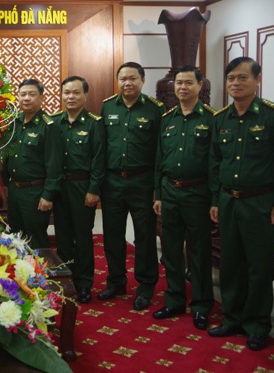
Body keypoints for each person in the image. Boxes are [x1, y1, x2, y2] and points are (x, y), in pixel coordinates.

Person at [208, 57, 274, 351]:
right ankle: (231, 317)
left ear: (257, 79)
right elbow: (215, 161)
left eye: (242, 78)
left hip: (261, 202)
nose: (235, 83)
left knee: (258, 266)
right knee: (231, 263)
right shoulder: (221, 118)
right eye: (231, 78)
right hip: (229, 201)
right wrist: (215, 199)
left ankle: (257, 324)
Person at [152, 66, 215, 329]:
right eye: (179, 83)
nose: (182, 88)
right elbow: (159, 159)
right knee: (171, 250)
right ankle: (175, 299)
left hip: (198, 193)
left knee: (199, 251)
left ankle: (201, 305)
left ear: (200, 86)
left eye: (189, 83)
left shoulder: (212, 118)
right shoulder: (168, 118)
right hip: (170, 192)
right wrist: (158, 193)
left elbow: (215, 162)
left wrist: (214, 200)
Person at [99, 62, 165, 310]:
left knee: (144, 236)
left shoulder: (155, 109)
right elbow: (102, 147)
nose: (127, 83)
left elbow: (161, 151)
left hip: (142, 181)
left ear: (142, 80)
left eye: (133, 78)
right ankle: (116, 282)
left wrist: (157, 189)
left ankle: (146, 286)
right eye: (123, 78)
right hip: (113, 181)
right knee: (113, 236)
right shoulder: (107, 107)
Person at [52, 76, 105, 304]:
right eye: (66, 93)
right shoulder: (53, 122)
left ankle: (84, 283)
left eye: (75, 93)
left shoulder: (94, 123)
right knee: (62, 236)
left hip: (82, 187)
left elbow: (98, 160)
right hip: (59, 187)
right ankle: (65, 280)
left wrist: (94, 190)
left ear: (85, 95)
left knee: (83, 237)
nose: (70, 97)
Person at [1, 79, 62, 249]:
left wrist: (48, 195)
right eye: (23, 94)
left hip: (36, 193)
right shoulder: (14, 123)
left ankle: (42, 275)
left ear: (41, 98)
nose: (26, 98)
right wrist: (6, 184)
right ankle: (20, 275)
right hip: (15, 191)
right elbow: (7, 156)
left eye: (32, 94)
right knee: (15, 238)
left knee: (36, 240)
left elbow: (54, 164)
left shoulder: (49, 126)